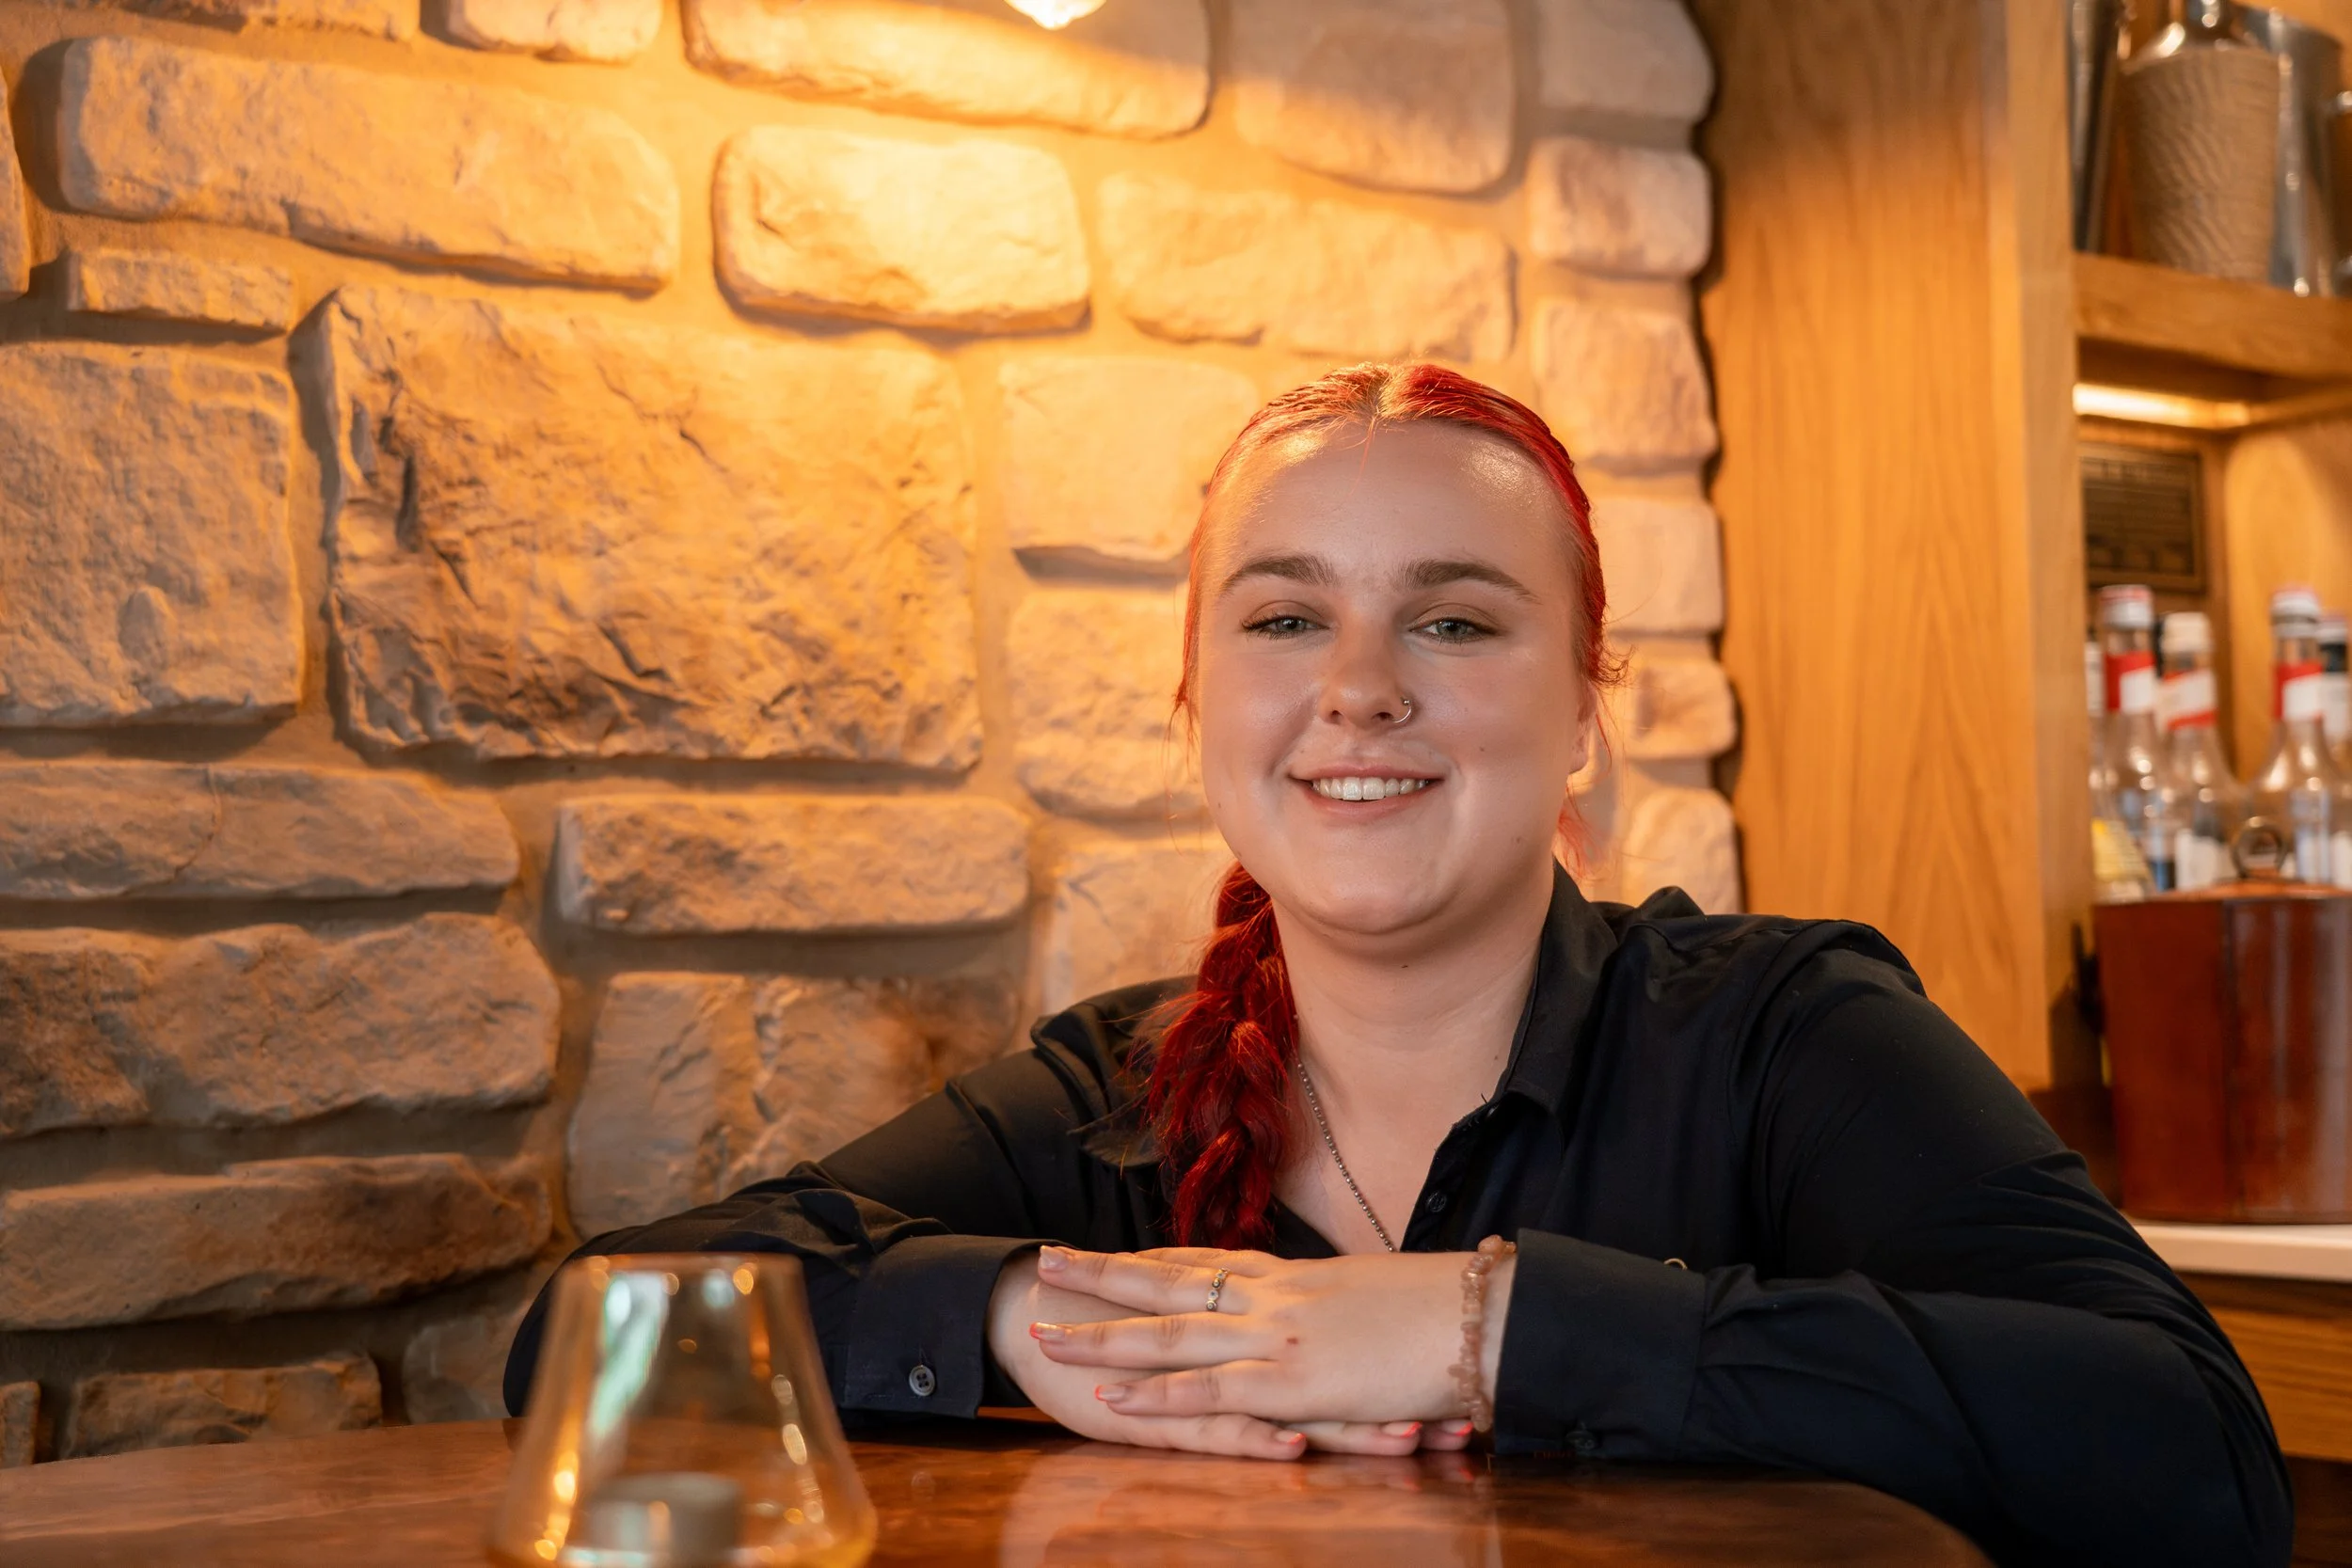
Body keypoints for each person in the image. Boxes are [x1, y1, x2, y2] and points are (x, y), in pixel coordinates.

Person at [506, 364, 2290, 1566]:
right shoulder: (1112, 1091)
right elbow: (592, 1335)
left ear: (1589, 707)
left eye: (1452, 617)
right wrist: (1018, 1323)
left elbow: (2194, 1455)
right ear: (1200, 704)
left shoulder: (1786, 1035)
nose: (1359, 683)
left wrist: (1481, 1325)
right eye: (1286, 617)